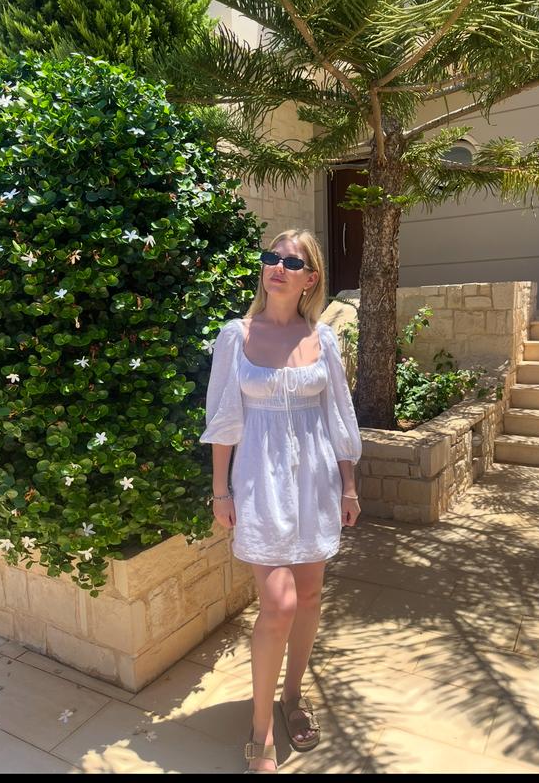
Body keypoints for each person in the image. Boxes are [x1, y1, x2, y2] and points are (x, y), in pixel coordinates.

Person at [200, 229, 362, 773]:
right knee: (279, 604)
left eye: (291, 263)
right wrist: (220, 489)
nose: (277, 267)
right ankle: (261, 726)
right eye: (271, 258)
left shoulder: (323, 339)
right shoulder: (236, 336)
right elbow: (224, 418)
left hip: (315, 480)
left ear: (310, 279)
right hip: (259, 481)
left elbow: (338, 416)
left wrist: (349, 484)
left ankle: (293, 696)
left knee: (309, 596)